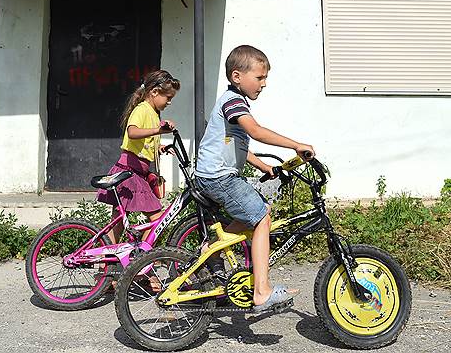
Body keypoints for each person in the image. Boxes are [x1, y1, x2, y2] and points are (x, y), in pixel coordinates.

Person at [194, 44, 315, 313]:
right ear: (237, 76)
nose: (264, 83)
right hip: (218, 178)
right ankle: (262, 291)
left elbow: (236, 143)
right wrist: (296, 145)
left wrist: (263, 166)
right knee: (261, 216)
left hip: (215, 175)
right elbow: (256, 132)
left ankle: (212, 247)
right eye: (259, 78)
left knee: (258, 211)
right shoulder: (233, 101)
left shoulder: (233, 101)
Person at [96, 69, 180, 243]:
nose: (170, 102)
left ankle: (107, 265)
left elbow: (144, 144)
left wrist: (161, 148)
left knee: (117, 221)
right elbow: (132, 132)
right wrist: (158, 129)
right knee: (158, 218)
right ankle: (142, 258)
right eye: (168, 98)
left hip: (133, 172)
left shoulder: (153, 113)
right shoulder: (142, 109)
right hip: (129, 173)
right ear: (154, 92)